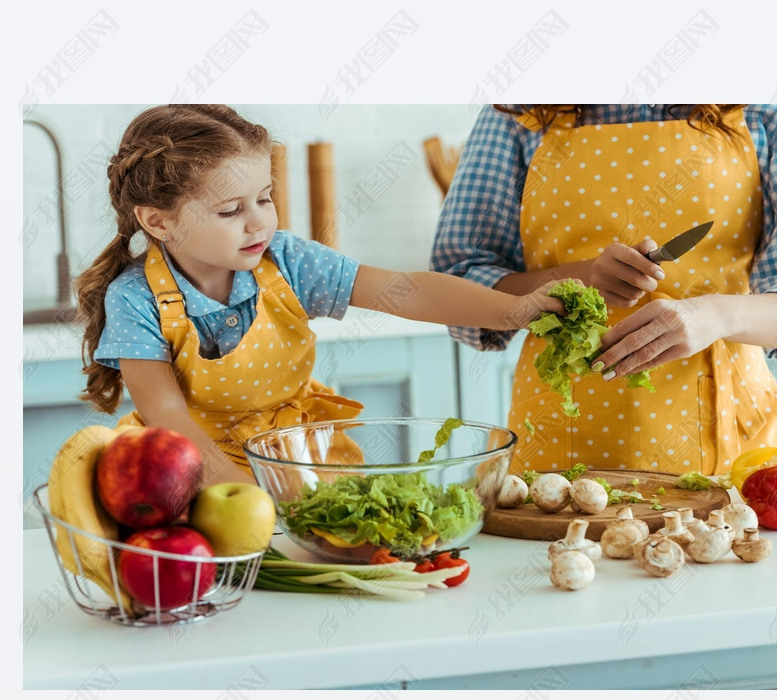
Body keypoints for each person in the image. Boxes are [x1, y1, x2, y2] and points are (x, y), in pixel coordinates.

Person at [75, 104, 562, 483]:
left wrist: (512, 310)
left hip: (300, 454)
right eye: (230, 211)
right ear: (157, 220)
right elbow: (167, 414)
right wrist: (235, 494)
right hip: (191, 464)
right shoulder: (134, 298)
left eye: (265, 198)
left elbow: (404, 290)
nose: (259, 220)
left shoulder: (286, 261)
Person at [431, 104, 777, 475]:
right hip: (557, 455)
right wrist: (578, 279)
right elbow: (460, 281)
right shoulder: (521, 112)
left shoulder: (774, 105)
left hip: (733, 454)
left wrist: (715, 315)